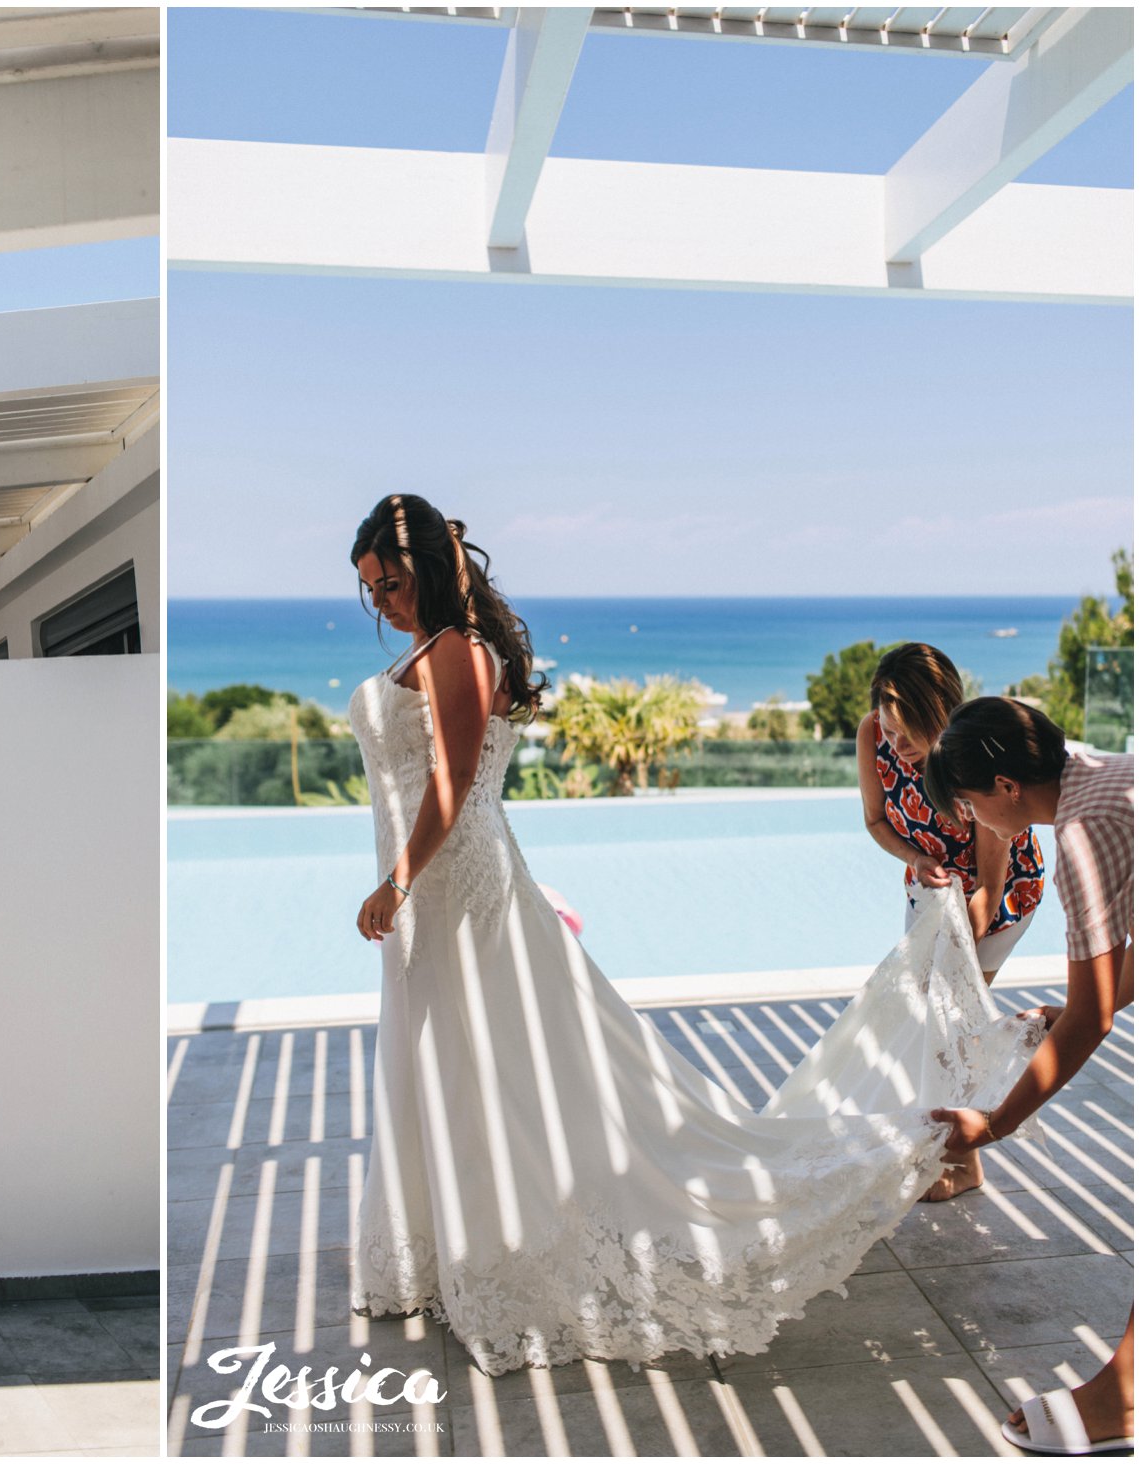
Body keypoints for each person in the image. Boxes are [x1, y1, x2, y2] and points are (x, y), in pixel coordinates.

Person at [344, 493, 1041, 1378]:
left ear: (431, 571)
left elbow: (451, 780)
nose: (384, 603)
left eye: (394, 583)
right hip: (437, 886)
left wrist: (399, 877)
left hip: (451, 883)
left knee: (493, 1059)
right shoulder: (436, 647)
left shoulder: (459, 652)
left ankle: (502, 1244)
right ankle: (441, 1241)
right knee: (447, 1056)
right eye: (372, 590)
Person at [923, 697, 1133, 1456]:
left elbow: (1093, 1020)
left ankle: (1123, 1397)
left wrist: (996, 1123)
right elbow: (1104, 986)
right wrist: (1094, 993)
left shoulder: (1078, 832)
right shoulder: (1088, 772)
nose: (974, 818)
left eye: (972, 801)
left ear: (1007, 786)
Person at [856, 643, 1045, 1199]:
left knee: (948, 1026)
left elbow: (989, 887)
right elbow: (874, 821)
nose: (896, 744)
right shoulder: (874, 735)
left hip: (1001, 898)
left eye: (907, 732)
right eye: (888, 731)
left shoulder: (970, 758)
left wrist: (950, 963)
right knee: (931, 1025)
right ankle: (947, 1137)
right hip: (931, 891)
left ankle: (964, 1165)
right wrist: (918, 861)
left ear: (938, 713)